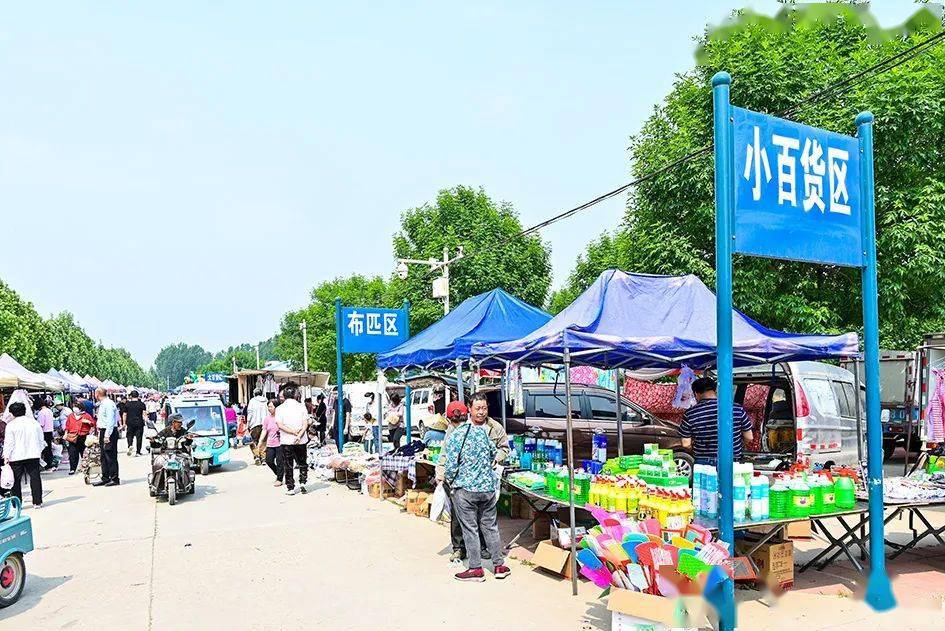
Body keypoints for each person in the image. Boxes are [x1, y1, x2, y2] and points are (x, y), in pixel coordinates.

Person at [442, 393, 510, 582]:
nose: (481, 412)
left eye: (483, 408)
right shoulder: (482, 432)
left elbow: (450, 465)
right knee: (491, 527)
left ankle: (475, 569)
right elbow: (492, 454)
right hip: (487, 489)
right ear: (469, 412)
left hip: (466, 491)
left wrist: (451, 482)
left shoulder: (455, 436)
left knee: (470, 529)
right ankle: (499, 566)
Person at [434, 401, 476, 562]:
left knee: (461, 516)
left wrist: (441, 474)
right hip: (460, 480)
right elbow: (445, 455)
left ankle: (464, 548)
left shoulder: (474, 430)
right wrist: (441, 474)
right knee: (464, 515)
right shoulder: (452, 432)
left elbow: (444, 456)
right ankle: (461, 548)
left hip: (465, 479)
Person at [679, 377, 754, 466]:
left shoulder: (690, 413)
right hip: (731, 460)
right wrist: (736, 446)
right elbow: (749, 437)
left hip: (703, 463)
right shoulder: (736, 409)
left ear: (696, 394)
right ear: (715, 390)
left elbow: (686, 444)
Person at [3, 402, 44, 508]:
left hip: (16, 456)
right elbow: (41, 439)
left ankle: (17, 503)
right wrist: (39, 451)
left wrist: (6, 456)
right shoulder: (34, 423)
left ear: (12, 413)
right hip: (33, 454)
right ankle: (37, 502)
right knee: (35, 478)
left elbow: (9, 443)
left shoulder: (11, 425)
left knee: (16, 480)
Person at [275, 385, 308, 495]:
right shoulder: (302, 406)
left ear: (284, 396)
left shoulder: (279, 409)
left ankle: (290, 488)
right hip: (301, 440)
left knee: (288, 464)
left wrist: (292, 432)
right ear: (295, 395)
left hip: (286, 440)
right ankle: (303, 482)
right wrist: (298, 435)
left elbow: (280, 425)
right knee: (302, 462)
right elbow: (305, 424)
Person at [93, 387, 120, 486]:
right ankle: (105, 477)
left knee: (110, 455)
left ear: (98, 394)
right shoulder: (103, 404)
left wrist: (107, 434)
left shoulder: (108, 404)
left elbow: (110, 420)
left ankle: (114, 478)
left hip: (109, 431)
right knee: (103, 456)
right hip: (103, 431)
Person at [63, 402, 96, 475]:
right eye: (74, 406)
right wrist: (65, 434)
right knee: (72, 454)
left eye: (76, 407)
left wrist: (88, 422)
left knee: (84, 453)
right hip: (72, 437)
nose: (74, 408)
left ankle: (85, 468)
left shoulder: (86, 415)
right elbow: (67, 426)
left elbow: (93, 424)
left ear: (80, 408)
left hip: (83, 436)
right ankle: (72, 468)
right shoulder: (71, 416)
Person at [257, 400, 283, 486]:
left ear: (276, 407)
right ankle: (279, 473)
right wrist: (260, 442)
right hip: (270, 443)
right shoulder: (267, 419)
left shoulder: (281, 417)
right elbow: (264, 430)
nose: (269, 408)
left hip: (280, 443)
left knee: (280, 462)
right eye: (268, 407)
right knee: (269, 461)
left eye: (271, 406)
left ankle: (279, 478)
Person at [246, 388, 268, 464]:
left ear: (254, 393)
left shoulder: (252, 401)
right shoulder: (266, 400)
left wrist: (247, 424)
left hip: (254, 424)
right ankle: (264, 458)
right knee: (264, 441)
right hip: (265, 424)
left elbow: (250, 413)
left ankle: (257, 456)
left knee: (253, 441)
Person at [123, 390, 147, 457]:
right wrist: (146, 420)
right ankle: (138, 452)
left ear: (131, 396)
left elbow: (124, 414)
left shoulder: (127, 404)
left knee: (129, 436)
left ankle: (130, 445)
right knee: (139, 437)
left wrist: (124, 423)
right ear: (138, 396)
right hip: (139, 423)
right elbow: (144, 414)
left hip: (130, 423)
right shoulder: (141, 404)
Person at [34, 399, 55, 471]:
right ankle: (51, 465)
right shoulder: (49, 411)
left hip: (44, 433)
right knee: (49, 449)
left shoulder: (41, 413)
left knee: (45, 450)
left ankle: (48, 466)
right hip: (50, 431)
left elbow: (41, 424)